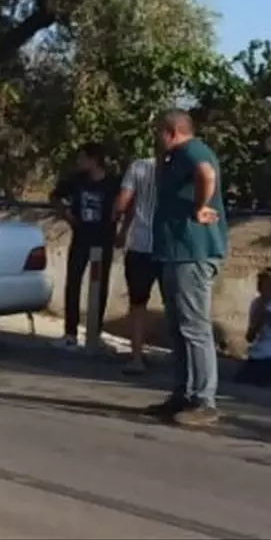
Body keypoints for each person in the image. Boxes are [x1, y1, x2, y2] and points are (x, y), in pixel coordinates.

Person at [146, 109, 228, 427]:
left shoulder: (193, 150)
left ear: (170, 131)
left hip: (192, 253)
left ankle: (204, 400)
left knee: (194, 327)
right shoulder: (173, 158)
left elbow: (207, 173)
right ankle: (183, 393)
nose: (155, 138)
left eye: (158, 132)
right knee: (178, 327)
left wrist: (200, 207)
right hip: (174, 253)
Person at [50, 142, 120, 349]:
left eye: (82, 158)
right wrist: (67, 214)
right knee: (73, 283)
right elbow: (55, 196)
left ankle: (95, 333)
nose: (79, 163)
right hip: (81, 238)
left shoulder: (112, 183)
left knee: (100, 286)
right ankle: (70, 333)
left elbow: (124, 202)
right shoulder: (76, 181)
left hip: (103, 239)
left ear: (94, 160)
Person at [114, 154, 159, 375]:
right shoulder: (183, 167)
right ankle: (185, 362)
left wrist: (120, 228)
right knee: (178, 306)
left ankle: (137, 357)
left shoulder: (139, 166)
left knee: (137, 304)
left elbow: (125, 203)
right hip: (171, 247)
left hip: (141, 244)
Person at [235, 268, 271, 389]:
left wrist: (263, 305)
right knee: (240, 381)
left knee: (256, 381)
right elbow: (250, 336)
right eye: (260, 281)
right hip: (257, 355)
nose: (262, 285)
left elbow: (263, 319)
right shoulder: (256, 303)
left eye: (267, 282)